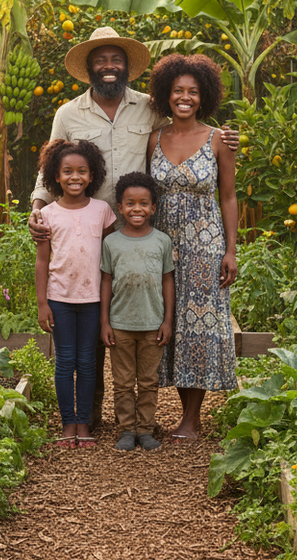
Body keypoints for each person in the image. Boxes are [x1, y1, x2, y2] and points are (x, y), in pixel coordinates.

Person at [29, 27, 238, 431]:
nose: (109, 67)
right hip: (84, 231)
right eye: (101, 60)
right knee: (93, 317)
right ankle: (88, 417)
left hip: (140, 230)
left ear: (127, 66)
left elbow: (191, 122)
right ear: (89, 67)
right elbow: (48, 169)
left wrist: (230, 138)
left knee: (145, 316)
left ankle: (146, 415)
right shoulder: (68, 114)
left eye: (116, 59)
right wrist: (38, 209)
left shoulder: (149, 109)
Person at [146, 53, 238, 439]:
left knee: (199, 324)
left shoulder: (219, 139)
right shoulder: (154, 138)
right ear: (166, 95)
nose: (185, 98)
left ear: (204, 97)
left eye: (193, 92)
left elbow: (230, 197)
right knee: (169, 322)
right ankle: (162, 411)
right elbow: (143, 192)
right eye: (178, 91)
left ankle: (191, 418)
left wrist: (231, 251)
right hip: (164, 243)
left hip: (205, 244)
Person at [34, 139, 116, 449]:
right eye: (67, 171)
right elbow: (42, 262)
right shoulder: (48, 215)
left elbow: (109, 259)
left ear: (92, 175)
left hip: (93, 300)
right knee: (65, 362)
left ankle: (85, 423)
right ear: (56, 175)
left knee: (88, 363)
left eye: (82, 171)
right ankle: (68, 424)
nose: (75, 177)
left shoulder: (103, 211)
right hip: (60, 299)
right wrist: (43, 304)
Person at [100, 172, 175, 452]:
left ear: (153, 208)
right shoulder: (112, 243)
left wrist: (167, 320)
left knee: (148, 381)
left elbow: (168, 280)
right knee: (122, 382)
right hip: (120, 324)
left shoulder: (162, 241)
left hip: (152, 324)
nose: (137, 209)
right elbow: (106, 281)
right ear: (120, 207)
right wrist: (105, 321)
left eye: (144, 203)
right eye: (130, 203)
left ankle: (145, 429)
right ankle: (126, 430)